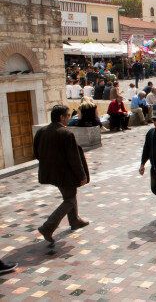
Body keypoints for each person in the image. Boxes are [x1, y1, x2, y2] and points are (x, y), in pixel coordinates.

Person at [34, 105, 90, 244]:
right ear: (61, 117)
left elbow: (36, 153)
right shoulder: (66, 134)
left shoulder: (41, 131)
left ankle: (75, 221)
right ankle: (48, 227)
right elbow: (74, 158)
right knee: (69, 200)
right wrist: (82, 176)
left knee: (70, 195)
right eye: (68, 116)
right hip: (65, 175)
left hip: (49, 173)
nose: (69, 118)